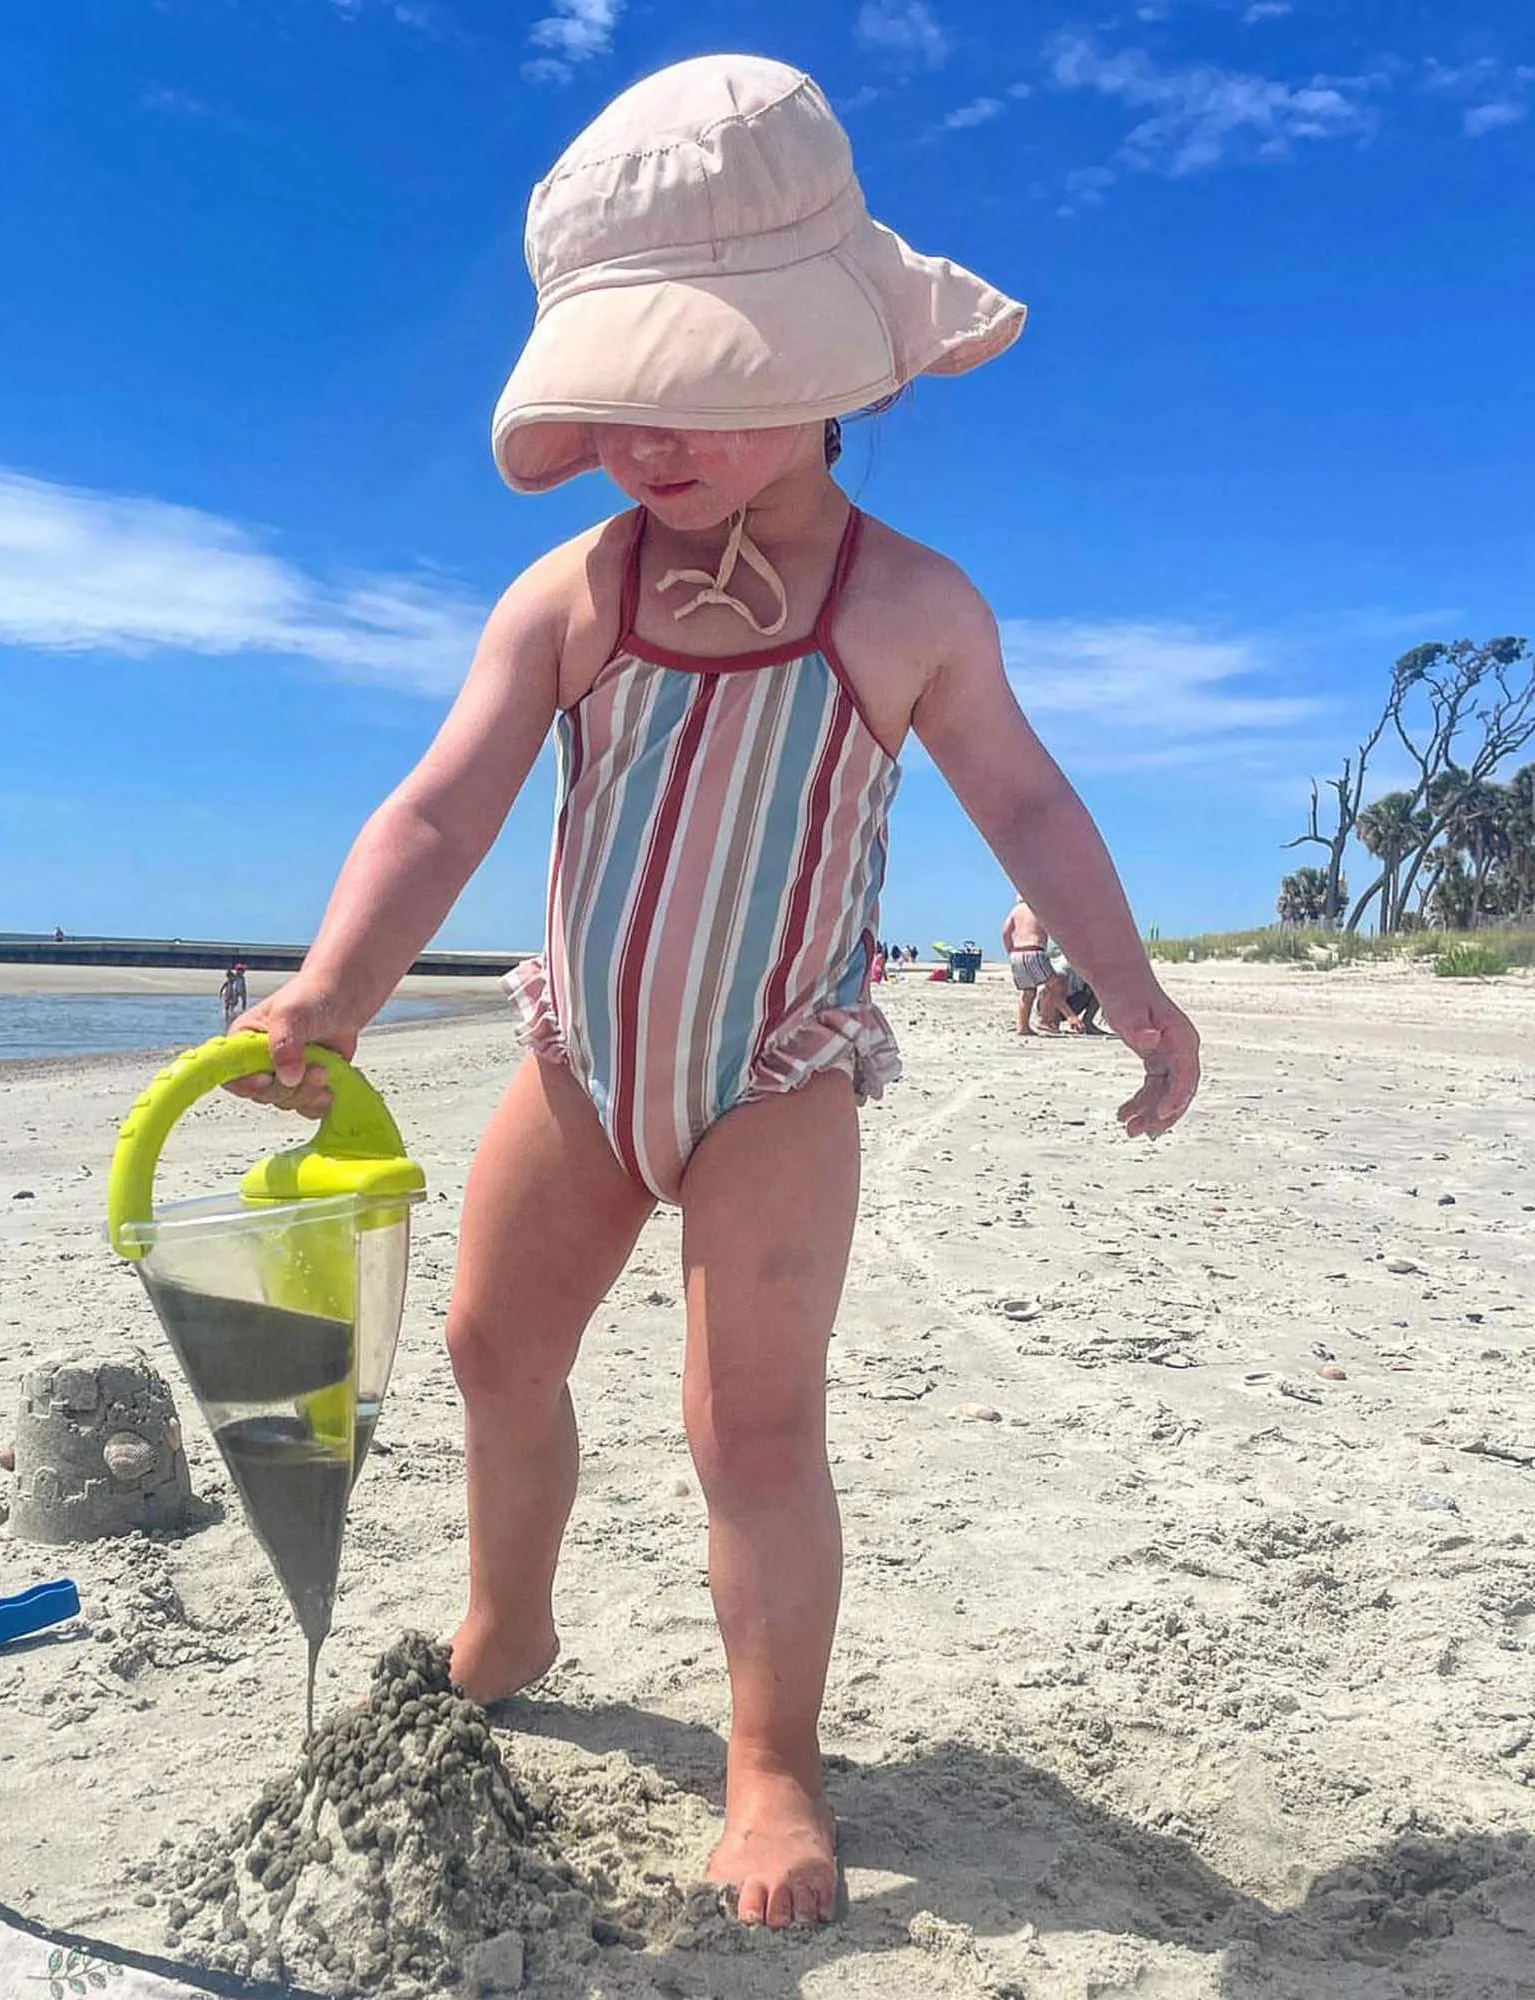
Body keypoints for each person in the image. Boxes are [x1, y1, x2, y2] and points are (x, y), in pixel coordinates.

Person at [229, 57, 1200, 1930]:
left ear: (831, 375)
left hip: (774, 1073)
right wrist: (332, 997)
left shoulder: (911, 606)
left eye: (696, 394)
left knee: (748, 1425)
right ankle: (510, 1610)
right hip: (584, 1060)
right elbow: (439, 808)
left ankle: (771, 1759)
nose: (646, 442)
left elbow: (1030, 801)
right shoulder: (574, 595)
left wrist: (1131, 984)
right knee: (493, 1349)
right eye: (612, 405)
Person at [1003, 895, 1085, 1037]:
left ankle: (1022, 1027)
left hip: (1017, 953)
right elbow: (1057, 930)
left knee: (1028, 993)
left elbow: (1006, 932)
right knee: (1055, 985)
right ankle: (1069, 1017)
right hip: (1034, 950)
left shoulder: (1016, 910)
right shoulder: (1039, 909)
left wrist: (1010, 950)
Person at [219, 958, 248, 1024]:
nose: (241, 972)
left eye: (242, 971)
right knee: (232, 1002)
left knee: (242, 1002)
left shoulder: (242, 978)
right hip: (235, 992)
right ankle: (229, 1013)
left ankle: (242, 1012)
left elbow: (243, 985)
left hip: (241, 991)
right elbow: (229, 980)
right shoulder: (235, 977)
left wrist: (244, 992)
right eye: (240, 971)